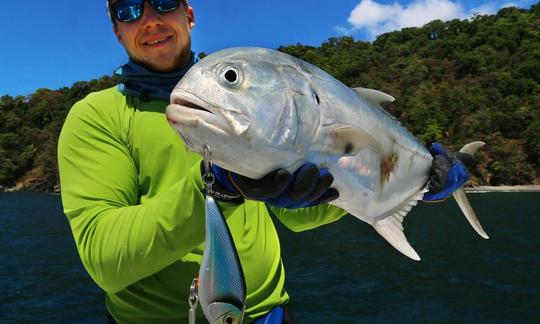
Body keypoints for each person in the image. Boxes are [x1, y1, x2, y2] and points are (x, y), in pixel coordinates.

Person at [57, 0, 471, 322]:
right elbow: (105, 261)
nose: (149, 19)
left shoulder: (259, 102)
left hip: (272, 316)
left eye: (164, 2)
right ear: (116, 30)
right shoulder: (97, 116)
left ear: (189, 14)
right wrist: (218, 185)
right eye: (129, 10)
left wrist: (411, 182)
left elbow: (299, 215)